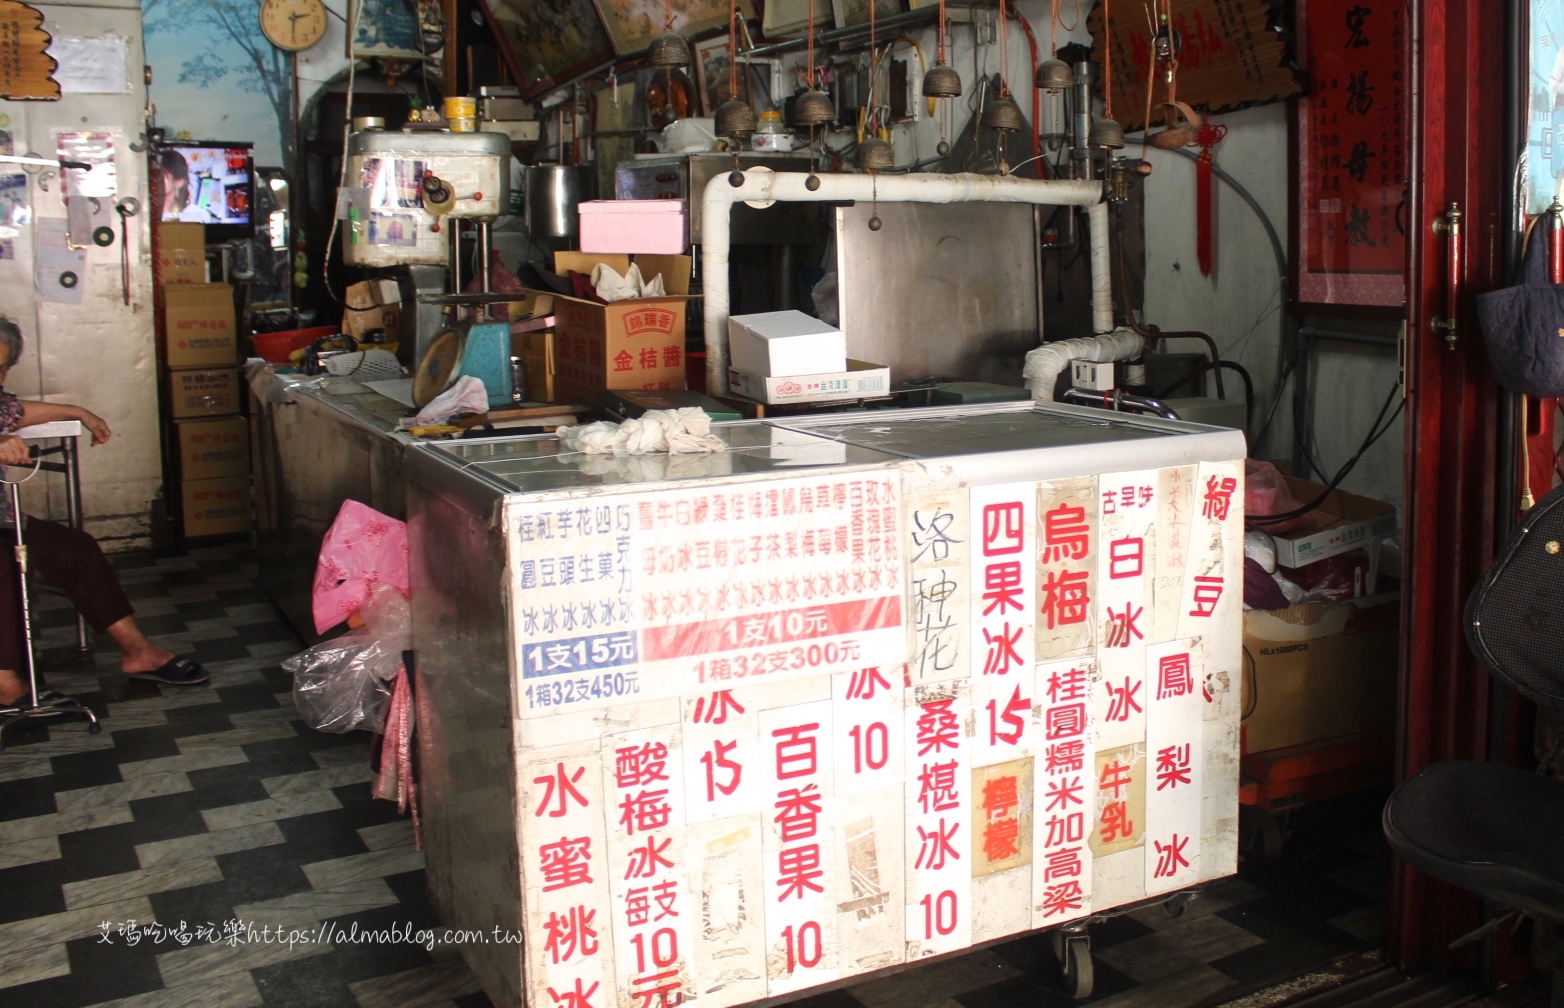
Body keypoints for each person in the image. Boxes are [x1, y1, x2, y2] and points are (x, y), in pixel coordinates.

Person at [0, 318, 208, 708]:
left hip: (3, 520)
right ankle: (6, 684)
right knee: (3, 561)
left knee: (75, 549)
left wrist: (77, 411)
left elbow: (16, 412)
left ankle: (137, 651)